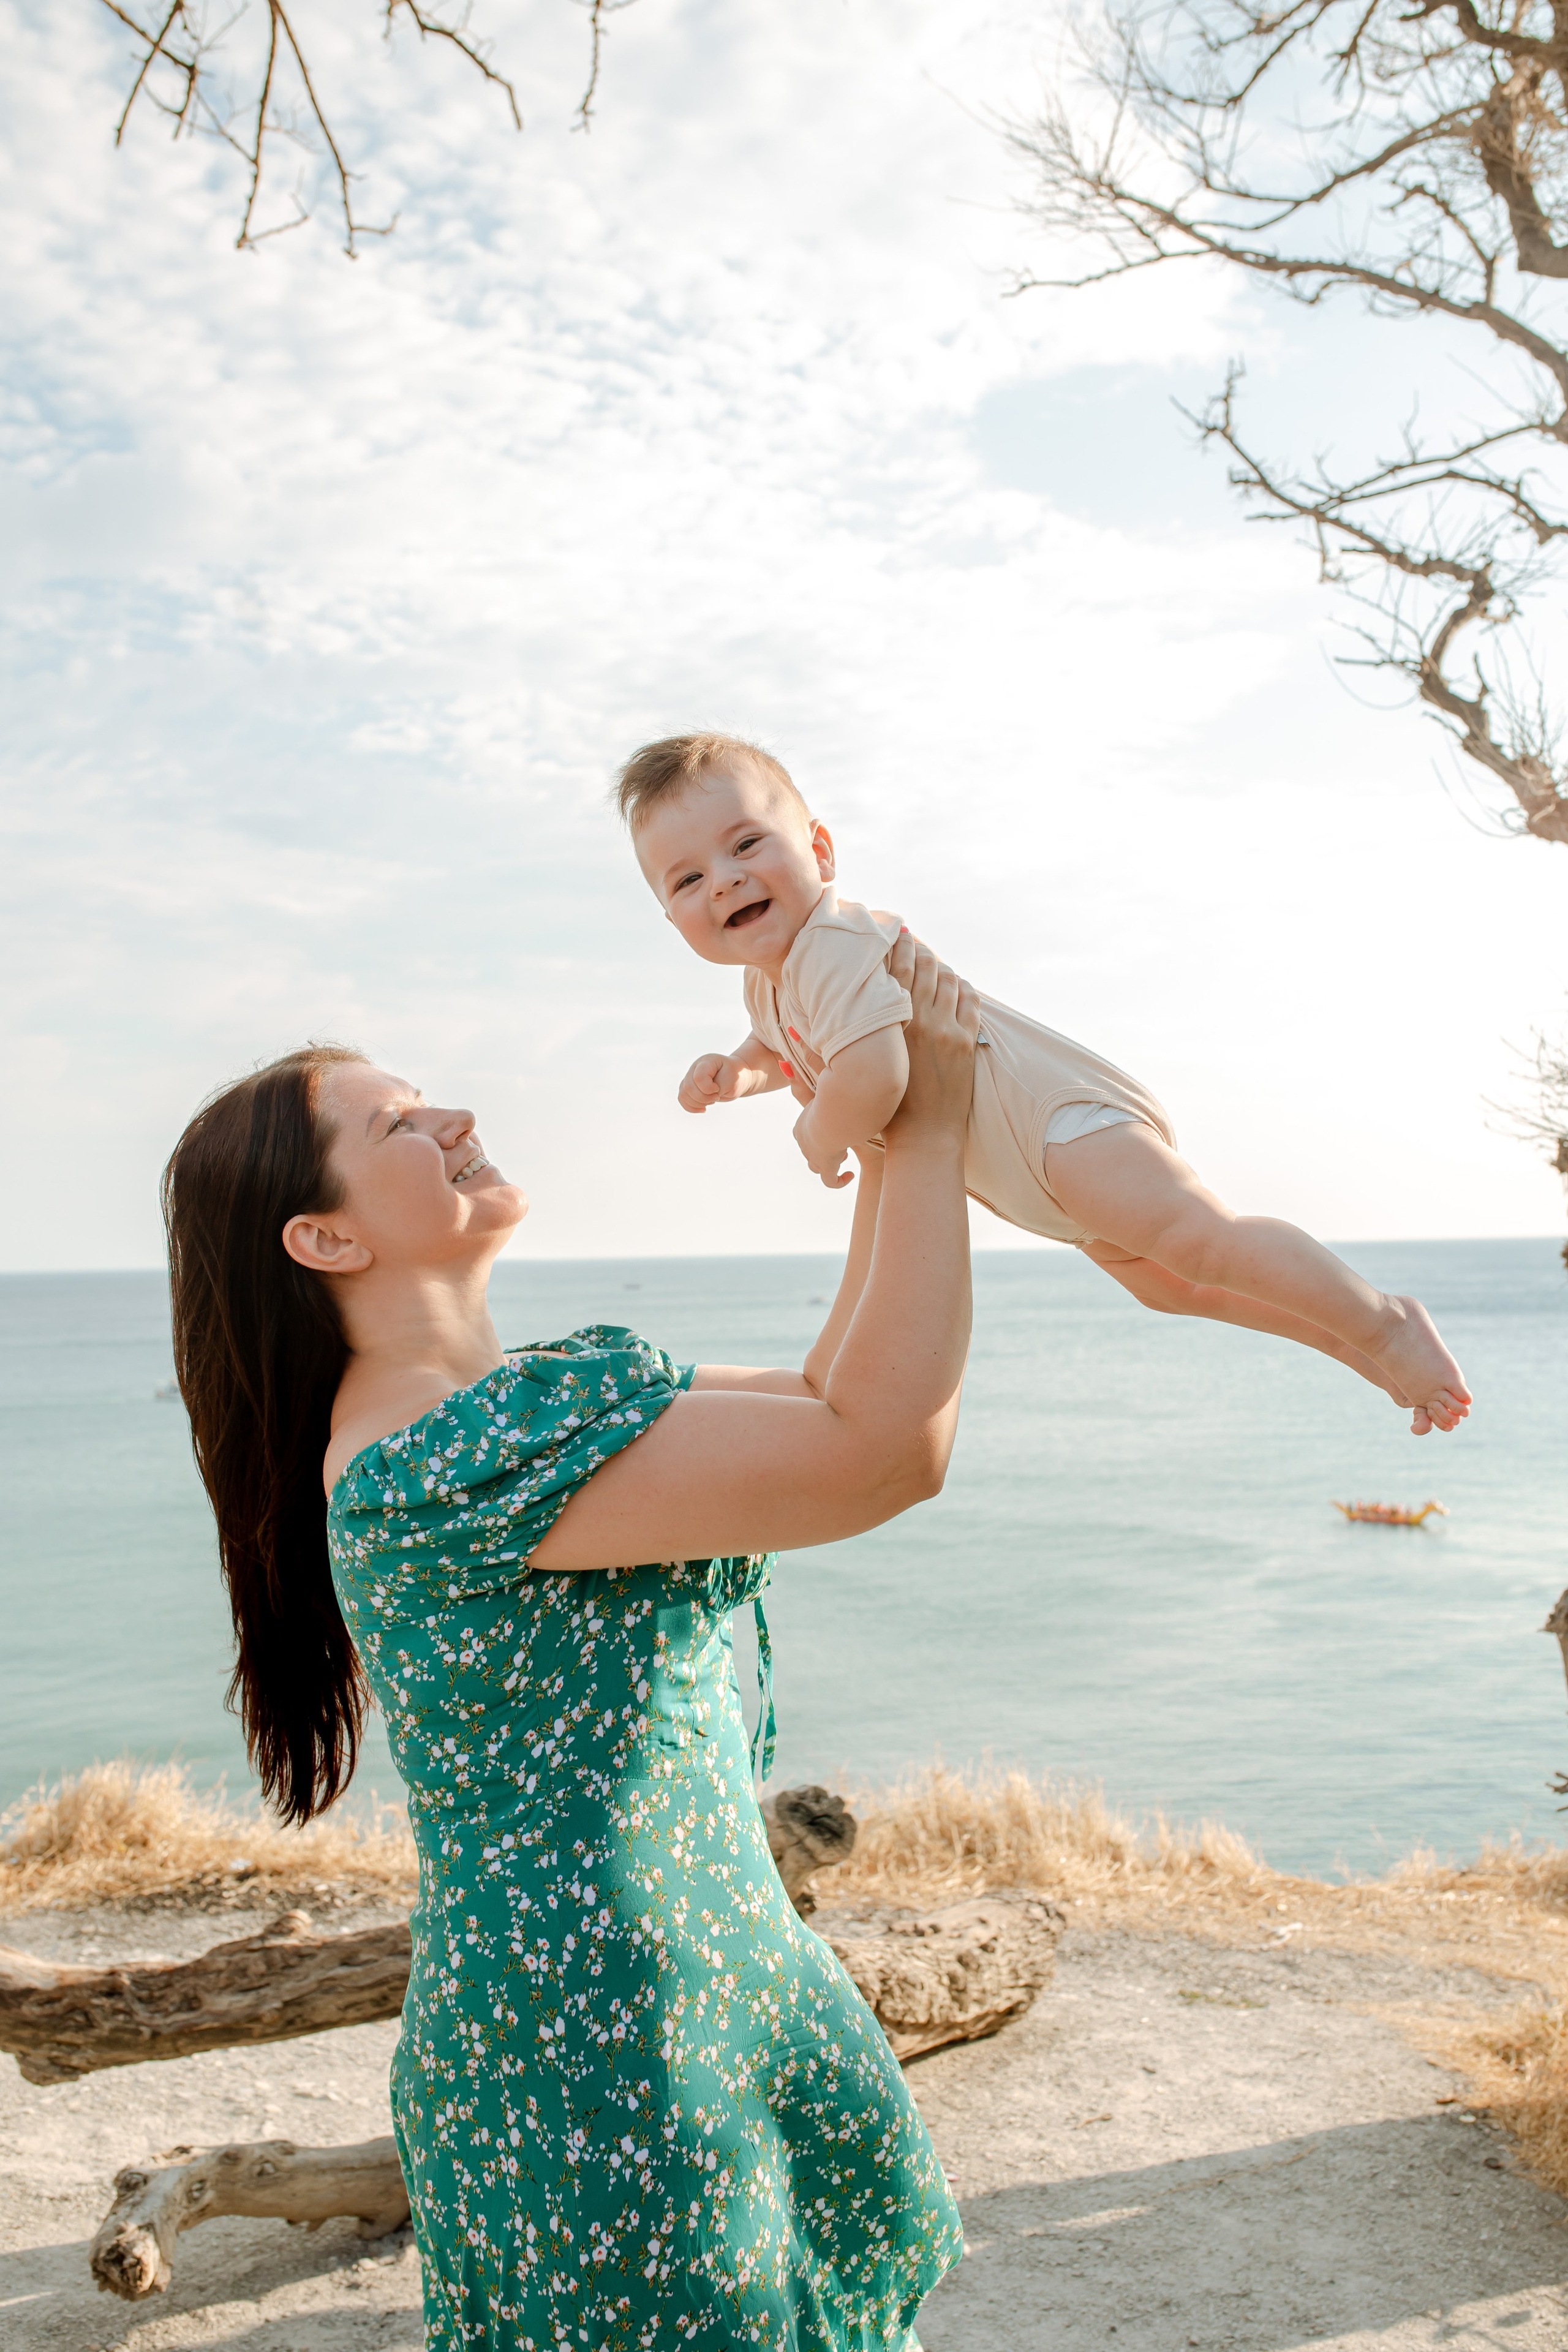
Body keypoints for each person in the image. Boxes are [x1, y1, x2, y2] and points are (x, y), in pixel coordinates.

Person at [162, 935, 978, 2352]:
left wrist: (882, 1111)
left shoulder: (506, 1410)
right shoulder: (444, 1457)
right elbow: (884, 1451)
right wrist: (935, 1122)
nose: (453, 1117)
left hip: (702, 1980)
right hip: (606, 2052)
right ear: (328, 1238)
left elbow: (835, 1393)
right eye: (395, 1125)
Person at [619, 730, 1472, 1439]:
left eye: (746, 843)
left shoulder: (830, 946)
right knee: (1174, 1285)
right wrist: (740, 1074)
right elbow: (792, 1043)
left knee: (1199, 1240)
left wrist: (818, 1135)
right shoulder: (772, 981)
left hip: (1055, 1124)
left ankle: (1382, 1324)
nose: (723, 878)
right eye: (688, 878)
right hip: (1029, 1174)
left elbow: (872, 1073)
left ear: (821, 850)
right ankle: (1356, 1344)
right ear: (670, 916)